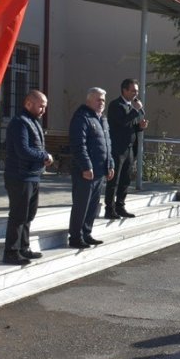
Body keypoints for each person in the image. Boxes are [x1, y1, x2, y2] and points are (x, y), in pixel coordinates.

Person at [2, 90, 52, 265]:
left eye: (45, 106)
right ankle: (11, 252)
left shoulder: (33, 122)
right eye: (41, 105)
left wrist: (43, 156)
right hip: (19, 176)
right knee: (18, 215)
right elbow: (23, 150)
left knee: (29, 214)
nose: (43, 110)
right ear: (28, 103)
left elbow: (36, 147)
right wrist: (44, 157)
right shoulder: (19, 123)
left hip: (32, 176)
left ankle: (24, 247)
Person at [68, 87, 114, 249]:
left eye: (103, 100)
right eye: (98, 99)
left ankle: (86, 233)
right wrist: (86, 166)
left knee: (93, 205)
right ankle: (75, 237)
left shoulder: (102, 119)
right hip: (86, 172)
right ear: (89, 100)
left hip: (100, 171)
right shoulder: (82, 117)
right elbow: (78, 145)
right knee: (81, 205)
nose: (101, 103)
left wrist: (110, 164)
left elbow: (107, 145)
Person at [104, 79, 148, 219]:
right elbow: (122, 123)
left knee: (126, 179)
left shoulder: (132, 107)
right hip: (117, 148)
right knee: (114, 180)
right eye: (133, 90)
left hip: (129, 148)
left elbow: (132, 126)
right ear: (124, 90)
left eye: (137, 90)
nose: (136, 93)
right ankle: (109, 209)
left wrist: (140, 127)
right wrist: (135, 110)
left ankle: (120, 206)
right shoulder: (115, 105)